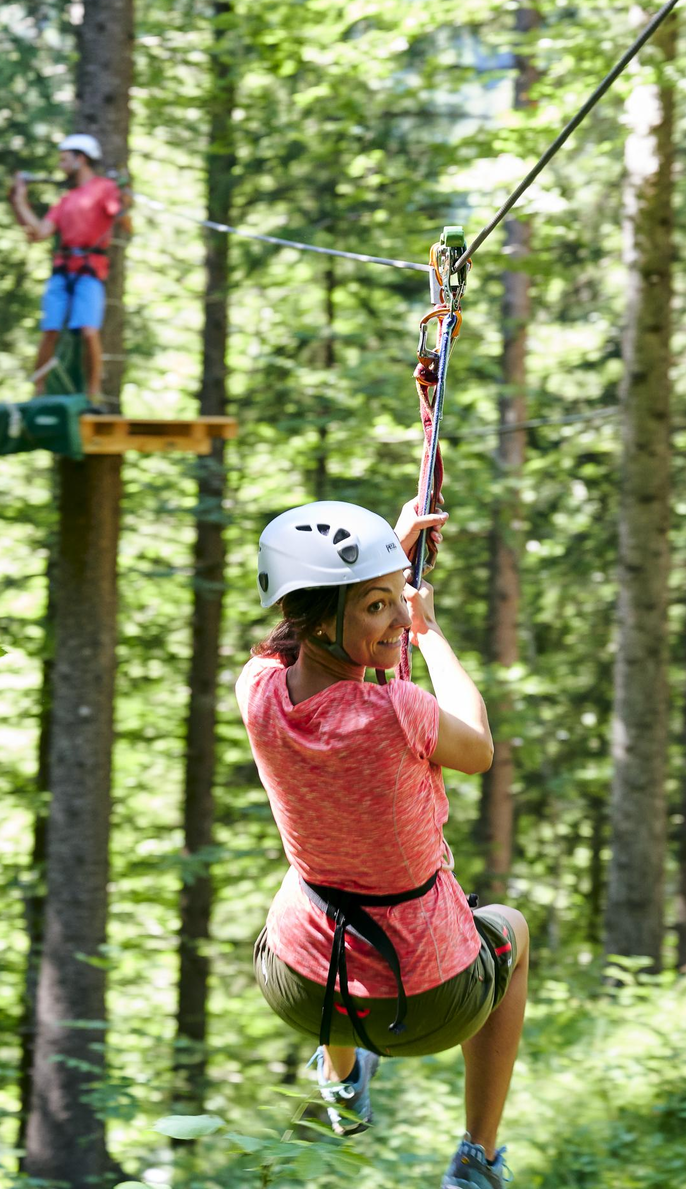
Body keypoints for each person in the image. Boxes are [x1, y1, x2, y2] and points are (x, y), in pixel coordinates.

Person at [237, 498, 530, 1189]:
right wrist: (429, 634)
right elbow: (477, 746)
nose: (399, 615)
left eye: (399, 599)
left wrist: (384, 562)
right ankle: (478, 1159)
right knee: (512, 929)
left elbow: (293, 635)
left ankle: (340, 1081)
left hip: (298, 985)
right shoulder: (396, 710)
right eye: (378, 606)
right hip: (427, 1003)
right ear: (320, 619)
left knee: (312, 875)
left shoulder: (258, 690)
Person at [8, 134, 125, 406]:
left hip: (90, 270)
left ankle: (93, 394)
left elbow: (122, 218)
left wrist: (123, 193)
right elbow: (40, 233)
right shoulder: (65, 200)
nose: (60, 166)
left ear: (80, 158)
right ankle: (38, 391)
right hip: (63, 269)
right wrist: (20, 201)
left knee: (88, 331)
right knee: (50, 329)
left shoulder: (104, 188)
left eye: (64, 159)